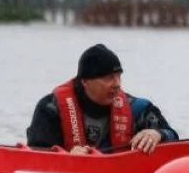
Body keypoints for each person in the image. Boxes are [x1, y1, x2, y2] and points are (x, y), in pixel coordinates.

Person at [27, 43, 178, 153]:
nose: (117, 84)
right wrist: (65, 157)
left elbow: (174, 139)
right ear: (85, 81)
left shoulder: (138, 109)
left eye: (119, 76)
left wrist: (159, 134)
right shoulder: (51, 108)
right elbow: (36, 155)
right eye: (109, 78)